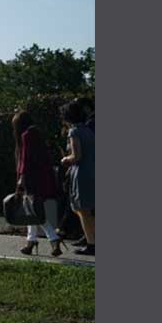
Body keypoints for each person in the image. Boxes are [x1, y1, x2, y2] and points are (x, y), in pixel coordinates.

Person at [13, 109, 64, 258]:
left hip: (32, 178)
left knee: (34, 210)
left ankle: (53, 239)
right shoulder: (37, 133)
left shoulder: (26, 136)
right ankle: (31, 241)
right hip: (44, 176)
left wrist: (21, 177)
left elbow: (25, 159)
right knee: (32, 209)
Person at [59, 100, 95, 256]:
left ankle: (91, 243)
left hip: (81, 173)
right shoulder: (88, 130)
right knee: (90, 209)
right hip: (92, 170)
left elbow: (77, 156)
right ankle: (92, 239)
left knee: (82, 210)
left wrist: (65, 160)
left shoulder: (74, 132)